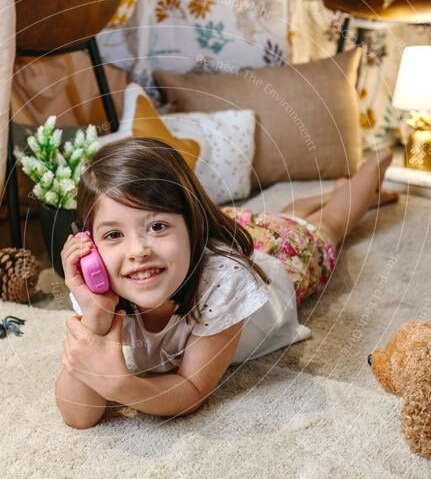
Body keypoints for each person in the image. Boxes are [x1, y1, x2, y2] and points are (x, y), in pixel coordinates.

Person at [56, 137, 396, 429]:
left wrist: (122, 386)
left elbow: (190, 390)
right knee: (281, 216)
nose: (138, 250)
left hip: (280, 260)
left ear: (190, 224)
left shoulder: (224, 281)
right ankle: (322, 195)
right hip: (220, 242)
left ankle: (374, 167)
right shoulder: (99, 289)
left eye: (157, 226)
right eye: (114, 234)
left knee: (330, 223)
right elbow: (78, 416)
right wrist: (96, 319)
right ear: (91, 247)